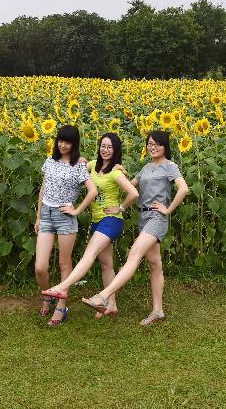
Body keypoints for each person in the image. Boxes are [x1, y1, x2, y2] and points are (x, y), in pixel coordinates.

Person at [82, 130, 189, 325]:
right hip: (143, 216)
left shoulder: (170, 166)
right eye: (150, 143)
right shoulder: (146, 167)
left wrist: (168, 209)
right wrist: (117, 171)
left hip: (157, 217)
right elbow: (128, 185)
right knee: (155, 264)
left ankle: (103, 296)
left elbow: (183, 188)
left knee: (134, 254)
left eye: (157, 144)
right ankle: (158, 311)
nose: (153, 147)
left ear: (165, 147)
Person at [40, 132, 139, 317]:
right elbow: (80, 166)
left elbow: (133, 193)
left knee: (90, 253)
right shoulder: (93, 165)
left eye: (110, 147)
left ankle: (62, 286)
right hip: (97, 221)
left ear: (116, 150)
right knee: (106, 265)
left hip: (111, 221)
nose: (106, 150)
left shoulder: (116, 172)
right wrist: (81, 160)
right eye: (103, 146)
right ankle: (111, 305)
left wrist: (120, 208)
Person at [35, 124, 98, 326]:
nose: (63, 145)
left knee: (64, 264)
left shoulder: (78, 165)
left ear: (74, 144)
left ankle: (61, 308)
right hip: (46, 214)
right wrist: (38, 217)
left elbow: (93, 191)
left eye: (68, 141)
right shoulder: (49, 161)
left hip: (65, 217)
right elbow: (43, 190)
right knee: (40, 267)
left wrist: (77, 210)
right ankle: (47, 297)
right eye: (61, 140)